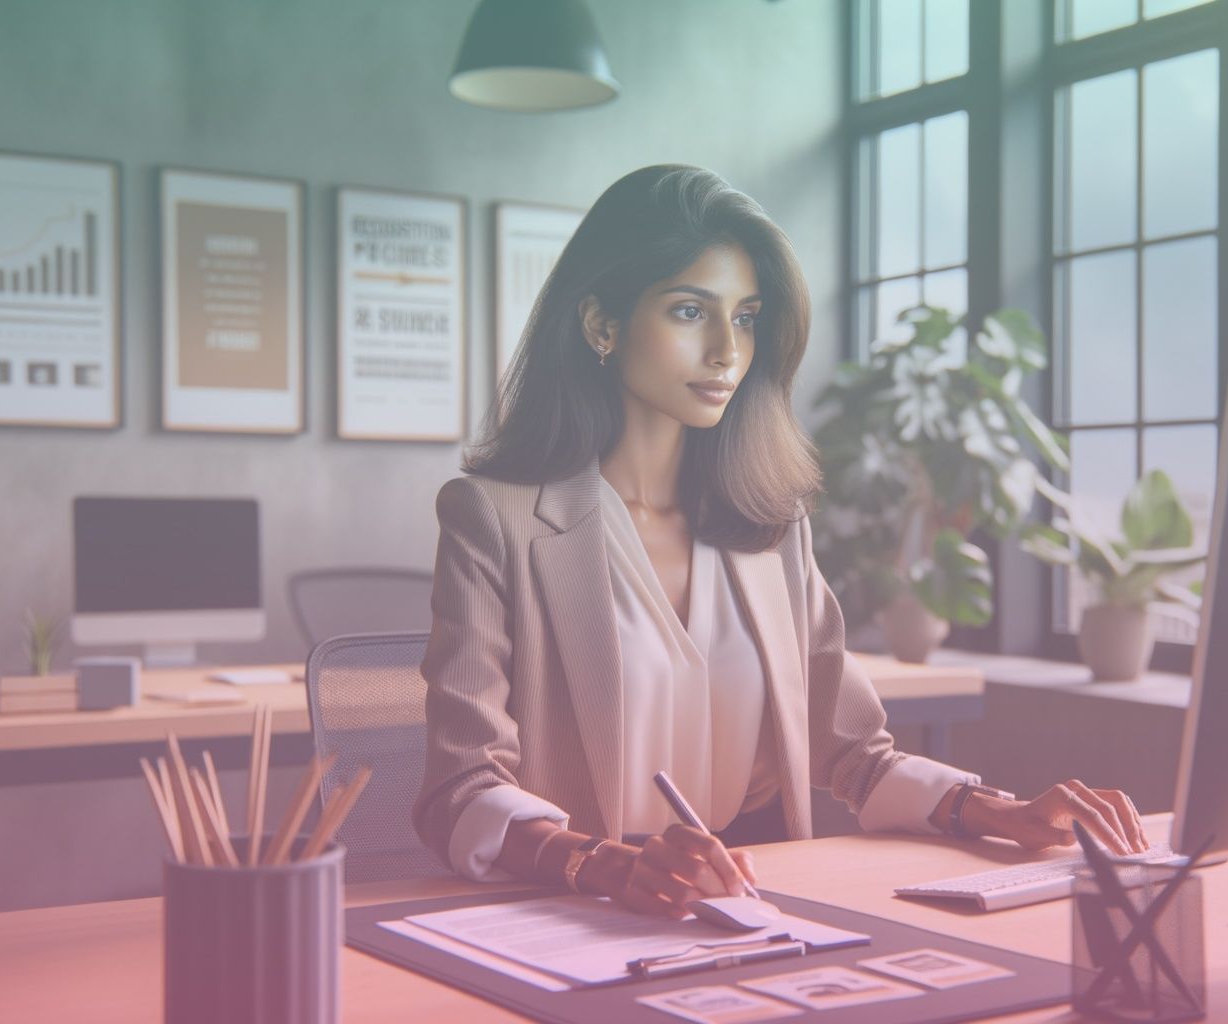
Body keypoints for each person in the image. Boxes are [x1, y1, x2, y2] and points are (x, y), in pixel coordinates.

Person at [413, 164, 1149, 920]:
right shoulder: (492, 517)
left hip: (760, 897)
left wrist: (993, 808)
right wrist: (598, 864)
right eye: (690, 312)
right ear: (602, 324)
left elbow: (857, 756)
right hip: (586, 903)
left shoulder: (768, 520)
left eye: (746, 317)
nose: (727, 352)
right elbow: (460, 789)